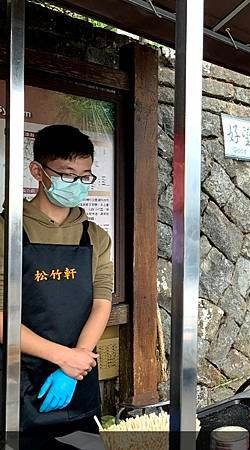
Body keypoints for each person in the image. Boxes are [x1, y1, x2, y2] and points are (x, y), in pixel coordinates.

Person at [0, 124, 113, 446]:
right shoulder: (6, 231)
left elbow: (101, 301)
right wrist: (62, 357)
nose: (77, 184)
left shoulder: (95, 236)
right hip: (19, 375)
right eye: (67, 174)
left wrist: (76, 360)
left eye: (85, 176)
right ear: (37, 171)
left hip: (78, 374)